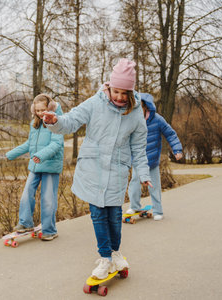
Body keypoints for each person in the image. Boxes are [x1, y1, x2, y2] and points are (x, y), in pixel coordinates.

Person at [43, 59, 152, 279]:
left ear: (131, 93)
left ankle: (115, 253)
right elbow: (72, 120)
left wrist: (144, 173)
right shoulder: (95, 103)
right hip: (93, 168)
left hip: (117, 171)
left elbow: (139, 147)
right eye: (116, 91)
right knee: (98, 215)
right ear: (109, 87)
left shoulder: (135, 113)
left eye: (124, 93)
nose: (119, 97)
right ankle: (105, 258)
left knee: (114, 215)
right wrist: (55, 121)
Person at [6, 94, 64, 241]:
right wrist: (11, 154)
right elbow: (29, 144)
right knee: (27, 193)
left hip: (50, 165)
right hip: (35, 164)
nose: (40, 113)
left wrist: (41, 155)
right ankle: (25, 223)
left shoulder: (57, 122)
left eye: (42, 110)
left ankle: (49, 230)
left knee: (47, 198)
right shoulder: (35, 123)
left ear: (50, 108)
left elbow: (56, 144)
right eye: (37, 110)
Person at [126, 93, 183, 220]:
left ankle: (158, 211)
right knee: (134, 185)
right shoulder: (131, 121)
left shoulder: (157, 120)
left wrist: (177, 149)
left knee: (155, 187)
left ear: (146, 107)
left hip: (152, 161)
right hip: (137, 161)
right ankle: (134, 206)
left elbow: (170, 134)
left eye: (139, 108)